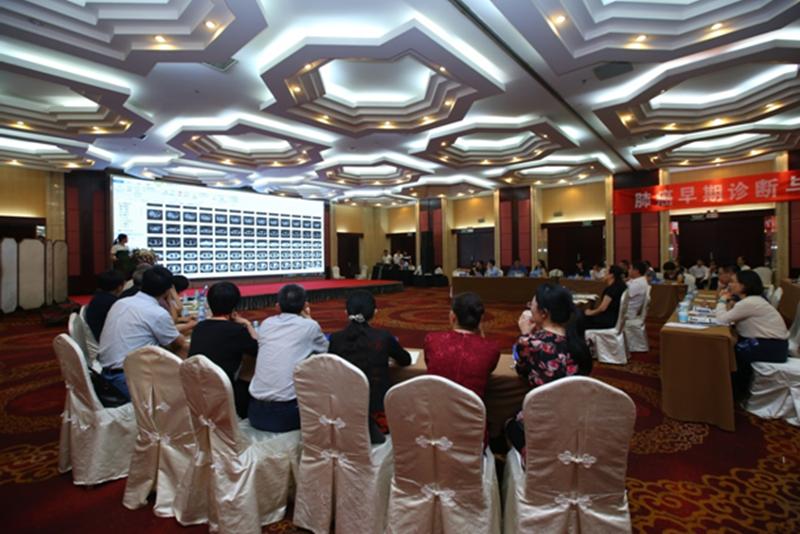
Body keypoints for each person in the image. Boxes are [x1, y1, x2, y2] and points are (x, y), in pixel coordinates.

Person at [506, 283, 592, 451]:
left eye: (532, 306)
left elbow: (522, 371)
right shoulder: (580, 341)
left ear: (544, 313)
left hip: (542, 423)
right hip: (575, 420)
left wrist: (525, 335)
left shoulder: (531, 343)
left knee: (508, 424)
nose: (530, 309)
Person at [328, 290, 411, 443]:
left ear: (346, 312)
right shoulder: (383, 337)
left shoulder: (335, 339)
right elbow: (405, 360)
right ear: (375, 313)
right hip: (379, 416)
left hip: (346, 414)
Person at [97, 266, 188, 401]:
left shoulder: (121, 303)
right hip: (129, 380)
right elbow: (179, 344)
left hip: (105, 375)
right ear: (167, 290)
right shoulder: (157, 313)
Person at [249, 284, 329, 432]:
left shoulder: (266, 324)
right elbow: (326, 352)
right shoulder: (310, 326)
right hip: (286, 414)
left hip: (254, 412)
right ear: (305, 305)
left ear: (277, 306)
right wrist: (309, 318)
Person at [714, 270, 788, 401]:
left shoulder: (750, 303)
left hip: (771, 346)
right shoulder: (752, 300)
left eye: (733, 282)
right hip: (770, 343)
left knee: (731, 354)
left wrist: (722, 299)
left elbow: (721, 320)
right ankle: (734, 391)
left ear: (744, 285)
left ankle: (735, 395)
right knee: (731, 349)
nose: (730, 285)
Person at [189, 282, 258, 418]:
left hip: (197, 392)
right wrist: (247, 324)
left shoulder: (199, 327)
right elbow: (258, 350)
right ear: (235, 306)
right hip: (224, 392)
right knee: (250, 367)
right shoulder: (237, 331)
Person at [424, 292, 500, 401]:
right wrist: (481, 336)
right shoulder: (492, 348)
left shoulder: (432, 340)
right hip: (471, 410)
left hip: (433, 407)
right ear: (481, 319)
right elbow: (487, 369)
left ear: (453, 317)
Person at [582, 265, 628, 329]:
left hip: (608, 320)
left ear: (611, 275)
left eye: (605, 272)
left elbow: (603, 308)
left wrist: (590, 312)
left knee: (581, 318)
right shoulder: (622, 286)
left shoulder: (612, 289)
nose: (603, 274)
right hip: (617, 319)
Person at [85, 270, 125, 341]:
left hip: (96, 335)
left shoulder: (97, 297)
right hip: (105, 339)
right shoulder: (113, 303)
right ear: (119, 287)